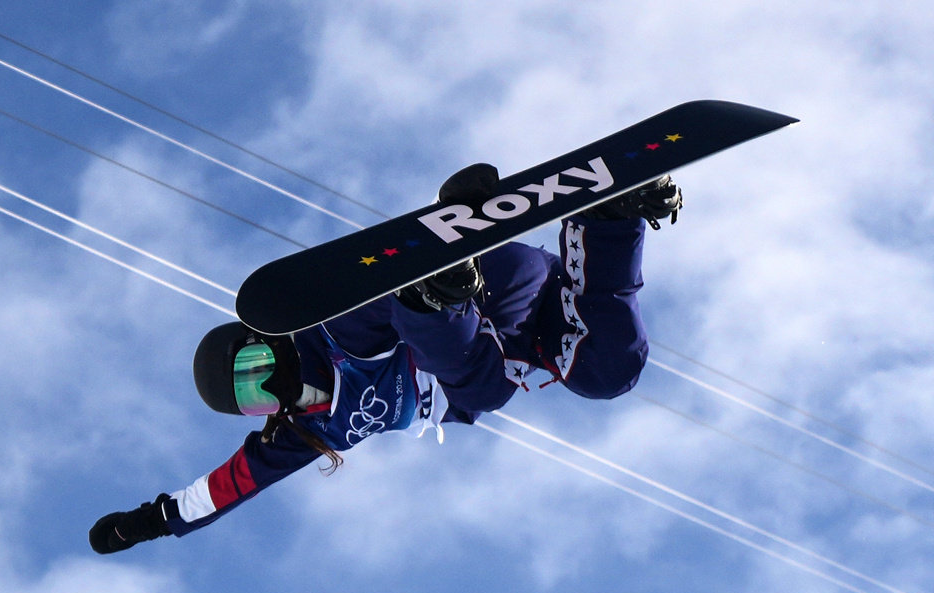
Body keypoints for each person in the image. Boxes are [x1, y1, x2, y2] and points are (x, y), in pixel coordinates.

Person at [88, 164, 681, 554]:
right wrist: (152, 522)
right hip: (528, 332)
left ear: (266, 339)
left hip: (482, 296)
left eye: (254, 370)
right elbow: (231, 486)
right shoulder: (306, 433)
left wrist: (435, 247)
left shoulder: (322, 331)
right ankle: (610, 219)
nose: (268, 389)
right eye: (252, 398)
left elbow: (359, 306)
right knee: (608, 374)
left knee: (364, 339)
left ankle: (433, 285)